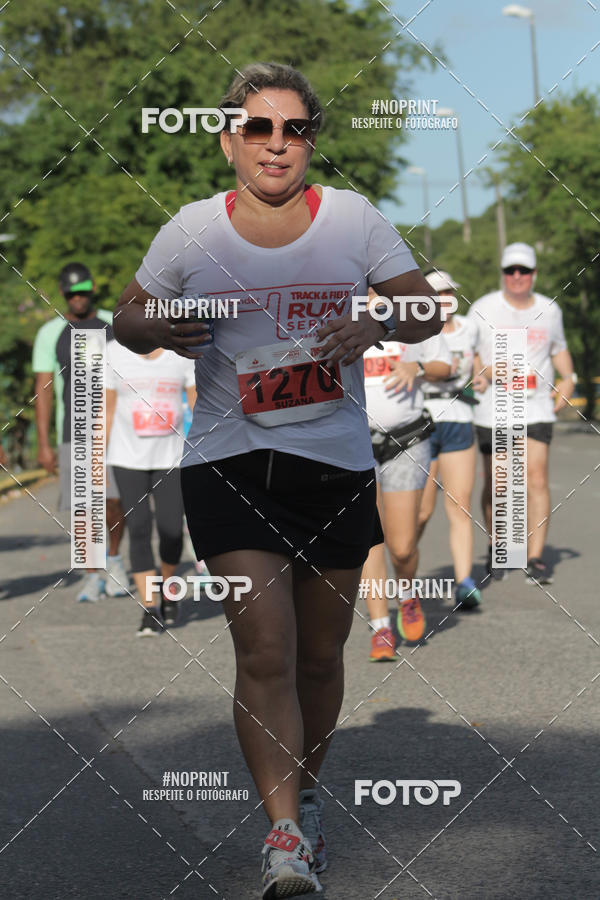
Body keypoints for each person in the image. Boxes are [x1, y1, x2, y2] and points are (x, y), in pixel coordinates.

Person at [113, 62, 441, 899]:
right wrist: (165, 327)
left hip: (333, 466)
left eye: (294, 128)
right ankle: (284, 834)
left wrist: (376, 316)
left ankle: (307, 798)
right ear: (228, 141)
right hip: (227, 466)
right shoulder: (192, 229)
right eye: (258, 127)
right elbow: (127, 317)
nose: (276, 143)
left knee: (320, 659)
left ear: (311, 141)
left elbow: (429, 308)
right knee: (266, 649)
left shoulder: (353, 220)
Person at [468, 243, 576, 584]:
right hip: (495, 408)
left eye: (524, 270)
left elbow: (560, 350)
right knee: (500, 485)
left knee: (536, 478)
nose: (517, 276)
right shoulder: (483, 308)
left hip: (536, 405)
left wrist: (569, 379)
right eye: (511, 270)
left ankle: (534, 557)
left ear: (534, 274)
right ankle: (498, 545)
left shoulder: (549, 309)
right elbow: (468, 353)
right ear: (503, 274)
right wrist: (485, 371)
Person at [361, 297, 451, 661]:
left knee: (401, 546)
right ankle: (380, 626)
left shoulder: (412, 307)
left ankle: (407, 592)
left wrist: (419, 367)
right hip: (355, 442)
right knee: (368, 538)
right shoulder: (339, 306)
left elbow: (445, 365)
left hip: (406, 439)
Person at [32, 262, 128, 602]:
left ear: (92, 289)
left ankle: (114, 561)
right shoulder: (50, 333)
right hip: (73, 431)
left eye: (83, 290)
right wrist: (44, 444)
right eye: (72, 292)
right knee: (83, 506)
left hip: (114, 429)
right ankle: (91, 574)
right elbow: (43, 390)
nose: (78, 296)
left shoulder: (114, 325)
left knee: (113, 501)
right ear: (63, 292)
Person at [105, 343, 196, 635]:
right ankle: (150, 608)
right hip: (126, 457)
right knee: (139, 527)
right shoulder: (112, 352)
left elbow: (198, 403)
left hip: (172, 458)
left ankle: (168, 590)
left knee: (171, 530)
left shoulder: (181, 352)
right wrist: (97, 462)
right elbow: (107, 409)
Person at [418, 270, 486, 609]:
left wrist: (481, 377)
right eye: (438, 293)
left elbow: (478, 365)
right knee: (421, 511)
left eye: (449, 292)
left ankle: (465, 583)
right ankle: (405, 571)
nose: (445, 298)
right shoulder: (414, 331)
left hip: (459, 418)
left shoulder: (469, 328)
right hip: (423, 420)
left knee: (460, 505)